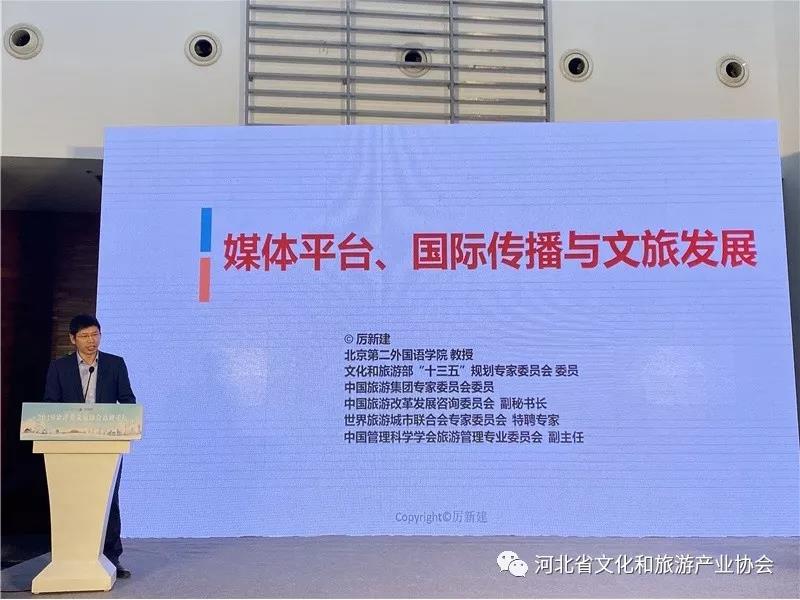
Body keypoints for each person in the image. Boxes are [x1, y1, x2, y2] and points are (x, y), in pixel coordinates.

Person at [43, 314, 136, 579]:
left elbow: (128, 401)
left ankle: (111, 558)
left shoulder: (115, 364)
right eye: (84, 336)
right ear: (73, 339)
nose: (91, 340)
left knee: (108, 501)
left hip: (106, 447)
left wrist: (121, 422)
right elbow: (50, 405)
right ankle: (70, 557)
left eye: (95, 334)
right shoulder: (59, 368)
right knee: (72, 500)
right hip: (69, 448)